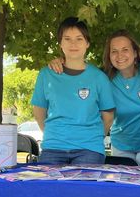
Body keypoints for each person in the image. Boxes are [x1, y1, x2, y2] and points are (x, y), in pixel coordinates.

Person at [48, 30, 140, 166]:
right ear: (109, 56)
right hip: (121, 147)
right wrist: (61, 62)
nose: (120, 55)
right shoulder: (102, 78)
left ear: (135, 52)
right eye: (114, 51)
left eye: (125, 50)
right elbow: (77, 78)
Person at [31, 17, 115, 165]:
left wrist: (92, 138)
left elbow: (108, 117)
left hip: (89, 149)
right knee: (47, 181)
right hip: (53, 148)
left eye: (79, 39)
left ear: (87, 43)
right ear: (60, 43)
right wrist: (55, 136)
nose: (73, 44)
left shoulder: (99, 78)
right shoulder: (46, 75)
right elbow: (39, 112)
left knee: (84, 182)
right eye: (67, 39)